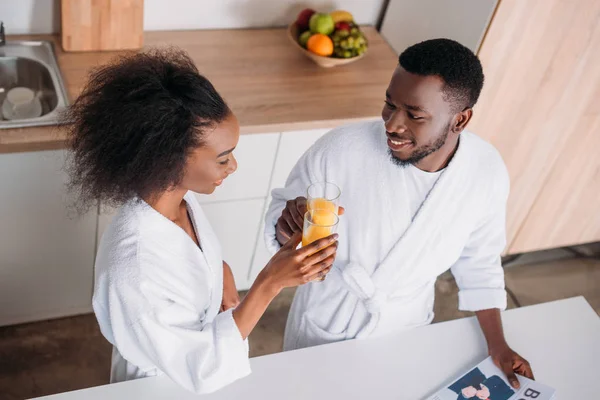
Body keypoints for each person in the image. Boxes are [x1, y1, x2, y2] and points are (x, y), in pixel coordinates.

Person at [64, 48, 338, 394]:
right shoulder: (133, 269)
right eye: (223, 159)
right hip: (161, 387)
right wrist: (269, 283)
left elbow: (186, 258)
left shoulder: (179, 201)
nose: (233, 166)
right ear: (167, 159)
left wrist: (218, 271)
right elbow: (202, 369)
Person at [264, 38, 534, 388]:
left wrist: (497, 345)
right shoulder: (341, 149)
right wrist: (288, 227)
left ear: (460, 120)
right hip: (328, 322)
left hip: (405, 328)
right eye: (389, 104)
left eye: (414, 115)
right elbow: (283, 223)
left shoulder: (485, 172)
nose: (392, 124)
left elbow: (479, 262)